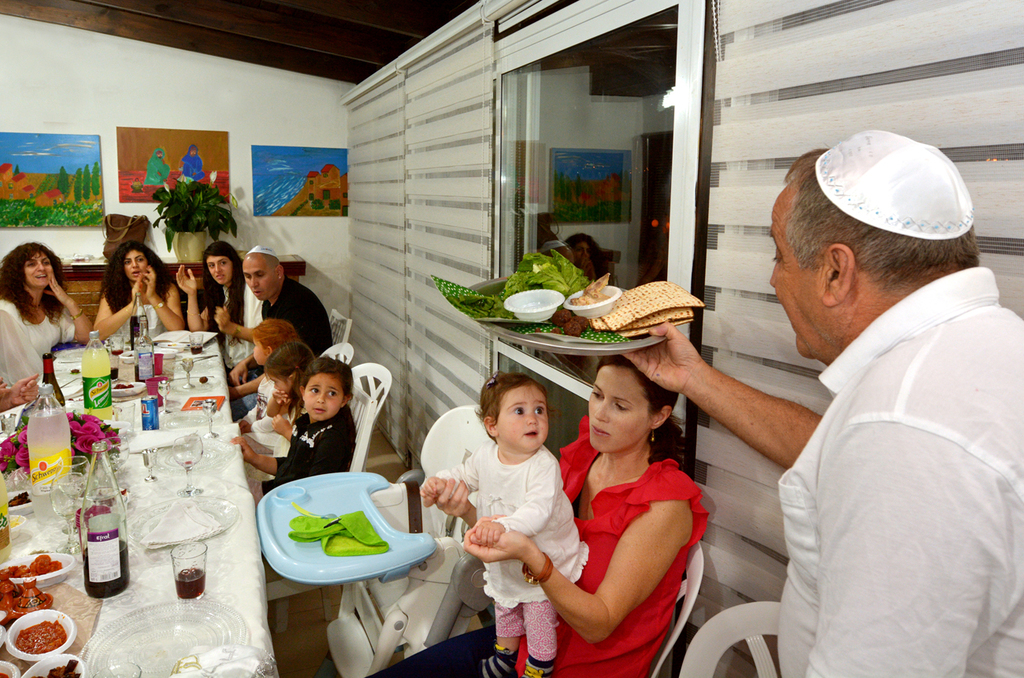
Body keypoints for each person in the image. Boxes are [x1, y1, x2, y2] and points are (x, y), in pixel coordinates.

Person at [628, 130, 1024, 677]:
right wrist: (692, 377)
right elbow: (834, 449)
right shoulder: (974, 348)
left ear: (836, 271)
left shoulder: (907, 431)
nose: (771, 278)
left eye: (779, 254)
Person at [373, 355, 708, 678]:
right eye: (597, 395)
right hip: (524, 640)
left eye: (619, 406)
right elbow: (519, 532)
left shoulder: (664, 504)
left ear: (658, 417)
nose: (599, 415)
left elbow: (598, 625)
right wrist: (468, 512)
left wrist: (535, 560)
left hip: (586, 664)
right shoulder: (584, 456)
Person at [421, 373, 588, 678]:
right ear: (492, 426)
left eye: (540, 410)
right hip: (506, 558)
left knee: (538, 615)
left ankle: (539, 666)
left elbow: (537, 512)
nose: (533, 419)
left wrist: (502, 527)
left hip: (542, 561)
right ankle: (504, 657)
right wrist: (440, 482)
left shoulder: (543, 465)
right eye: (520, 411)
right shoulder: (485, 456)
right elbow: (462, 474)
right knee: (506, 605)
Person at [234, 354, 356, 496]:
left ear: (344, 400)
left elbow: (316, 489)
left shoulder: (332, 439)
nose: (321, 399)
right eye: (315, 390)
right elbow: (292, 466)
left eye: (332, 393)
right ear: (303, 392)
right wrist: (254, 458)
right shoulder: (305, 420)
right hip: (279, 489)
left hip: (289, 502)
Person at [229, 246, 332, 400]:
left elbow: (285, 367)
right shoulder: (268, 298)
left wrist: (239, 392)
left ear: (278, 272)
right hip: (278, 377)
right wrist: (244, 363)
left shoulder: (296, 306)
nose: (253, 283)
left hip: (301, 386)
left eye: (259, 275)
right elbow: (269, 347)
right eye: (248, 276)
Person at [176, 241, 261, 418]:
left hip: (253, 373)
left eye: (223, 263)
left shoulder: (251, 292)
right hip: (231, 371)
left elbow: (264, 340)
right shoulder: (222, 292)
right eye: (211, 265)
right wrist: (192, 294)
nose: (217, 270)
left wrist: (231, 328)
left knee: (214, 414)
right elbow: (198, 330)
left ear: (234, 264)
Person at [0, 242, 93, 383]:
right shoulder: (6, 312)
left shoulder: (50, 305)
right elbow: (23, 375)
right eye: (31, 264)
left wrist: (69, 302)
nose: (41, 268)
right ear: (18, 273)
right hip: (21, 391)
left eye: (46, 262)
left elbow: (87, 337)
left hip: (47, 380)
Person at [94, 240, 185, 340]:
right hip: (124, 350)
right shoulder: (112, 291)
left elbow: (178, 328)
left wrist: (153, 296)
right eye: (127, 262)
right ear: (121, 268)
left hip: (160, 349)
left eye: (140, 260)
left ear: (149, 263)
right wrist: (133, 304)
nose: (135, 265)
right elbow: (99, 334)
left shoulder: (167, 288)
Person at [238, 318, 301, 459]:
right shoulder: (268, 377)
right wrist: (247, 419)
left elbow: (272, 421)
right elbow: (260, 404)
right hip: (262, 429)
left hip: (275, 437)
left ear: (268, 351)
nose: (253, 350)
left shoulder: (282, 385)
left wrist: (251, 428)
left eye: (255, 346)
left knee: (236, 444)